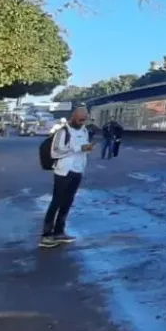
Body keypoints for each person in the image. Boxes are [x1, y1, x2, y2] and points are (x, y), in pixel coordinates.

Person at [41, 106, 95, 248]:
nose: (82, 121)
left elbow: (82, 150)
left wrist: (87, 149)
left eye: (84, 119)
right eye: (80, 119)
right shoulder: (63, 131)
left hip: (78, 171)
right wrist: (79, 148)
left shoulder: (84, 131)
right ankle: (46, 235)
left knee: (67, 203)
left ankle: (59, 232)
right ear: (73, 117)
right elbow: (55, 152)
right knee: (56, 202)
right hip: (63, 171)